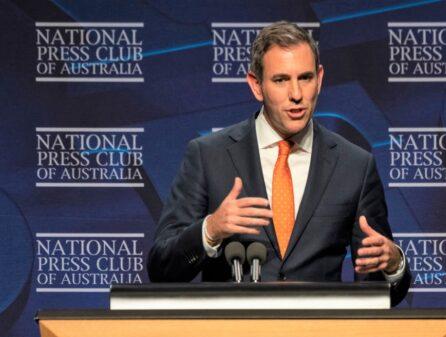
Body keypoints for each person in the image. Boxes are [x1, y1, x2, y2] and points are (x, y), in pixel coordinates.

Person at [148, 21, 411, 305]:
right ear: (256, 85)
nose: (296, 94)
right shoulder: (208, 155)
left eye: (305, 78)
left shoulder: (355, 165)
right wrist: (210, 230)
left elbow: (375, 296)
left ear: (319, 79)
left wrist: (393, 265)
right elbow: (162, 269)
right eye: (281, 80)